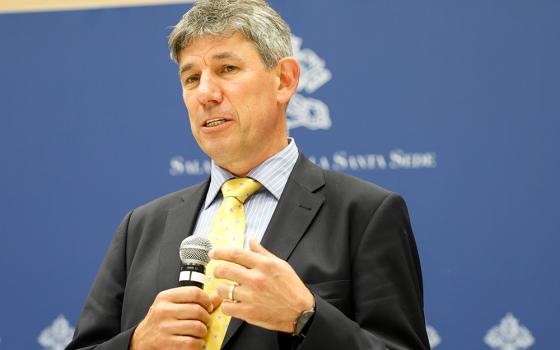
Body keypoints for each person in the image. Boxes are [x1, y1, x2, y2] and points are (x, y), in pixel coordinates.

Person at [66, 0, 430, 349]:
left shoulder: (366, 214)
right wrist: (136, 344)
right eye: (191, 78)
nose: (206, 93)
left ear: (284, 81)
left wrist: (305, 319)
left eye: (227, 69)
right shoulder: (141, 227)